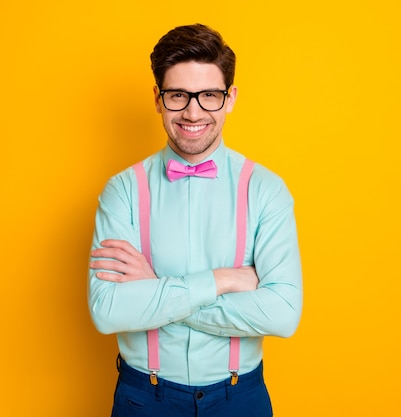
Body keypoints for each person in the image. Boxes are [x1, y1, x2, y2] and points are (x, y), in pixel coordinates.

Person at [88, 23, 302, 417]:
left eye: (208, 95)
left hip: (240, 399)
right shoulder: (121, 191)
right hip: (143, 398)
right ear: (157, 98)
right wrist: (223, 280)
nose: (193, 112)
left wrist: (156, 292)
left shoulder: (266, 190)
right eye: (178, 96)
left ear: (230, 98)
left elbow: (283, 314)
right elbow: (108, 311)